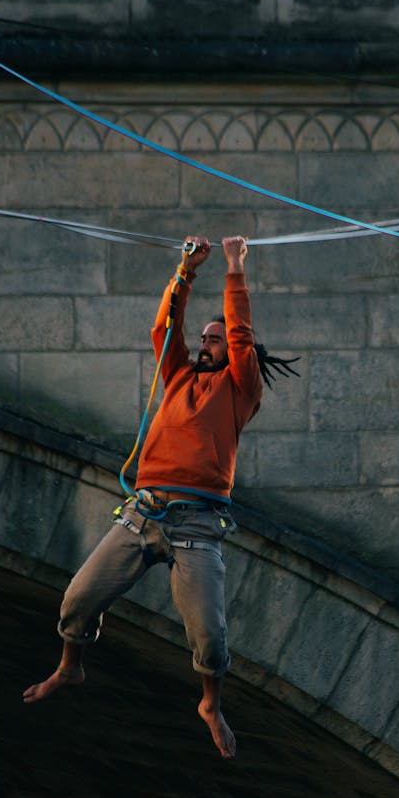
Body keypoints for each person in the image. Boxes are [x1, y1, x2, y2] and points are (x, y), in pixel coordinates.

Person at [23, 235, 264, 759]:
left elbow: (243, 337)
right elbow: (165, 326)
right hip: (144, 512)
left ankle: (210, 704)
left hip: (198, 526)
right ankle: (71, 666)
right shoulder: (176, 373)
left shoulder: (241, 391)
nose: (206, 342)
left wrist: (233, 267)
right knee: (76, 600)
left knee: (211, 638)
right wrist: (186, 270)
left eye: (215, 339)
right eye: (204, 336)